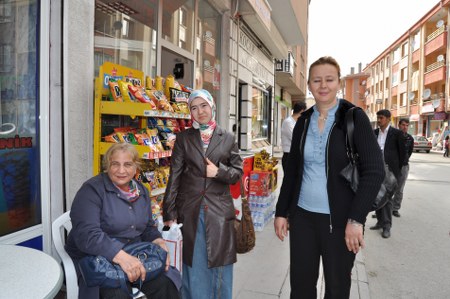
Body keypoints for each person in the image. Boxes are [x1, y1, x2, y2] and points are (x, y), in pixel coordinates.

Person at [274, 56, 385, 298]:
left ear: (339, 83)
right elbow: (292, 171)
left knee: (337, 288)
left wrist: (357, 220)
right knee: (301, 287)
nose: (323, 85)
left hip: (341, 220)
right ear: (310, 85)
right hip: (303, 217)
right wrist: (282, 211)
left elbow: (375, 171)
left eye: (329, 79)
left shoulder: (354, 117)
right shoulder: (303, 121)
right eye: (317, 80)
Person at [65, 143, 181, 299]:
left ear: (136, 168)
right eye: (115, 164)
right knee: (116, 294)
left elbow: (147, 227)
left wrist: (158, 241)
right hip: (98, 260)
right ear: (107, 166)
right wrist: (121, 257)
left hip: (133, 254)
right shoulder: (92, 190)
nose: (121, 170)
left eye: (127, 164)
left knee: (166, 284)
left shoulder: (141, 191)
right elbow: (87, 235)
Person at [163, 89, 243, 299]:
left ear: (212, 106)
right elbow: (175, 177)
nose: (200, 112)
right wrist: (169, 214)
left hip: (219, 212)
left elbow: (237, 173)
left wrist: (218, 172)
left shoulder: (227, 138)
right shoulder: (184, 139)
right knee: (194, 266)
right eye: (194, 108)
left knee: (220, 267)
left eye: (204, 106)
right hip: (191, 210)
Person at [370, 110, 405, 238]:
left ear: (389, 119)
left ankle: (387, 226)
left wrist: (396, 172)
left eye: (381, 118)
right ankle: (379, 222)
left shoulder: (397, 134)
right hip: (376, 170)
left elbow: (402, 155)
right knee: (378, 196)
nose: (379, 120)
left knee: (387, 199)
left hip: (390, 171)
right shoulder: (374, 133)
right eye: (378, 117)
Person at [392, 118, 414, 217]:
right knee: (387, 187)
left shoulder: (410, 138)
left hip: (404, 167)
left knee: (399, 189)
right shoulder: (392, 136)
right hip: (392, 166)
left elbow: (409, 152)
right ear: (399, 125)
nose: (405, 127)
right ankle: (382, 209)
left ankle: (395, 209)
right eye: (403, 125)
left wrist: (403, 161)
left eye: (407, 125)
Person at [281, 102, 307, 171]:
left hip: (296, 155)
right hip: (289, 156)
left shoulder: (297, 122)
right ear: (302, 111)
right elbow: (296, 138)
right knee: (290, 180)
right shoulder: (288, 122)